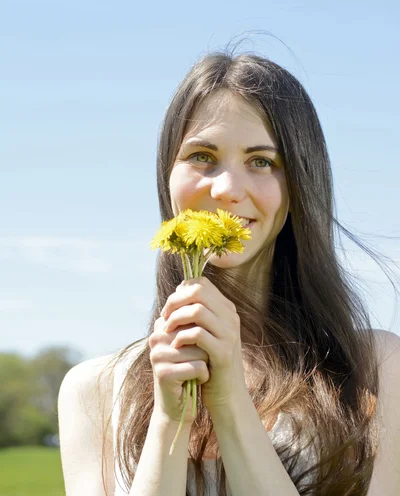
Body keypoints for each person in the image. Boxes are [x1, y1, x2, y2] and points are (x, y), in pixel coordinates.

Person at [58, 50, 400, 496]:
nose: (226, 190)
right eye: (202, 156)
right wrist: (169, 420)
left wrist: (229, 401)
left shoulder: (376, 368)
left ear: (299, 183)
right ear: (168, 175)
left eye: (261, 162)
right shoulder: (94, 393)